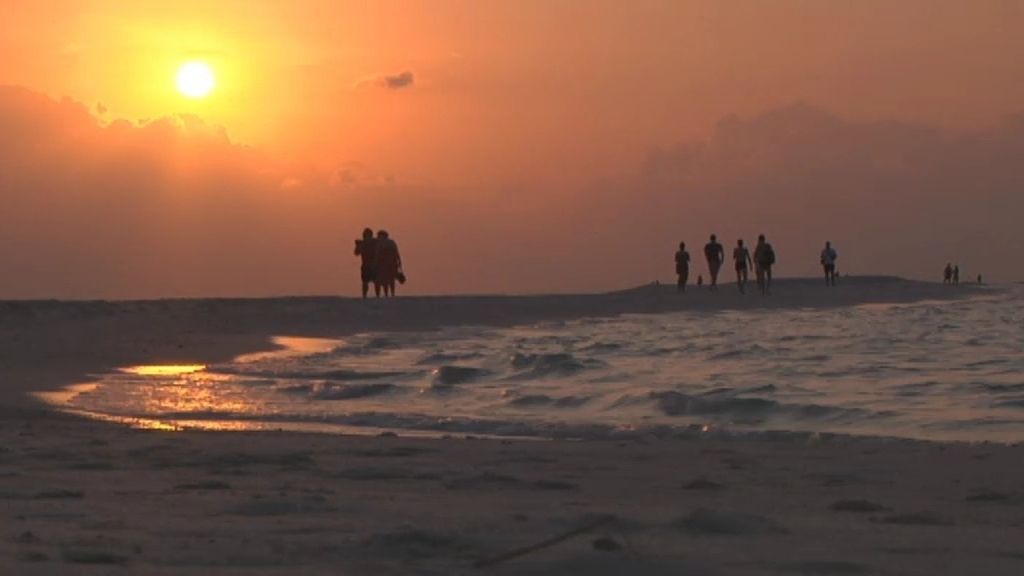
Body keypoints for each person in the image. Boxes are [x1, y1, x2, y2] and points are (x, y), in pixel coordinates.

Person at [374, 230, 403, 297]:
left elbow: (377, 254)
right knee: (391, 279)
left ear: (382, 236)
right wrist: (399, 262)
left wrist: (375, 263)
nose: (377, 237)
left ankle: (385, 294)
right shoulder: (392, 242)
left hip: (384, 264)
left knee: (383, 279)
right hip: (392, 263)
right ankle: (392, 294)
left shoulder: (380, 243)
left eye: (378, 236)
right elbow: (397, 253)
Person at [354, 228, 378, 298]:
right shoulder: (364, 243)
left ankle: (375, 296)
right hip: (367, 265)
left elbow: (356, 253)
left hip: (373, 265)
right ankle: (365, 296)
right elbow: (356, 253)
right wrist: (358, 246)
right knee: (366, 282)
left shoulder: (374, 242)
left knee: (375, 282)